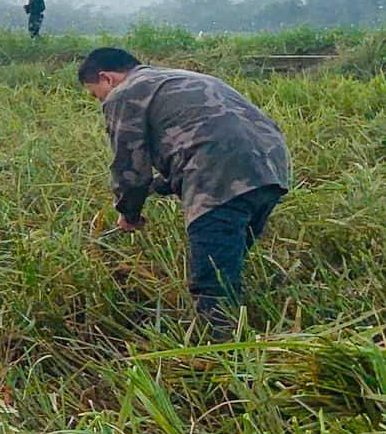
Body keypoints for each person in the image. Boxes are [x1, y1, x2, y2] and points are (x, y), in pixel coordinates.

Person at [77, 47, 292, 335]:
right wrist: (160, 186)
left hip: (219, 177)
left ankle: (224, 357)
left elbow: (129, 167)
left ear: (107, 79)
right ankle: (246, 330)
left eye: (95, 94)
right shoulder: (175, 78)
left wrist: (129, 213)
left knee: (213, 285)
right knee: (228, 265)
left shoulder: (125, 92)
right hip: (269, 168)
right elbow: (201, 135)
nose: (99, 101)